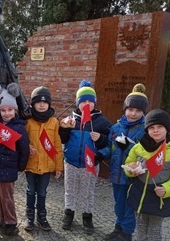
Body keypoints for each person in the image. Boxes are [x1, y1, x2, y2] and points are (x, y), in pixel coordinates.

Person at [95, 83, 148, 241]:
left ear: (143, 112)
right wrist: (101, 154)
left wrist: (130, 146)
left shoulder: (145, 129)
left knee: (129, 204)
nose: (133, 113)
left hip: (132, 175)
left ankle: (127, 232)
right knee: (119, 203)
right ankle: (118, 228)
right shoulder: (116, 128)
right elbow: (110, 148)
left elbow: (145, 153)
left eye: (138, 111)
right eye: (130, 109)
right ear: (125, 109)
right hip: (116, 173)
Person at [124, 109, 170, 241]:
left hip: (159, 199)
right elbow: (129, 163)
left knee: (154, 231)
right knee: (140, 229)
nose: (156, 130)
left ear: (167, 129)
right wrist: (131, 169)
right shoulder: (138, 147)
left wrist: (166, 189)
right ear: (147, 130)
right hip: (139, 195)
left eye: (160, 127)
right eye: (151, 127)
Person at [59, 80, 111, 235]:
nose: (87, 104)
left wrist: (100, 138)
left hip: (91, 163)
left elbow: (109, 143)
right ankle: (69, 213)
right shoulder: (71, 120)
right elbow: (63, 139)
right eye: (83, 101)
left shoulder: (101, 121)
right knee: (70, 190)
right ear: (78, 103)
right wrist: (64, 128)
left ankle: (87, 216)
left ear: (95, 102)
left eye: (90, 101)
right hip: (71, 162)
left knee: (87, 191)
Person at [0, 83, 30, 240]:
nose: (6, 113)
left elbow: (24, 149)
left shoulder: (19, 127)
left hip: (8, 169)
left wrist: (20, 166)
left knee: (7, 199)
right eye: (3, 110)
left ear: (15, 110)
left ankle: (10, 222)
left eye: (10, 110)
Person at [23, 86, 63, 232]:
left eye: (45, 102)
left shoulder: (54, 122)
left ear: (49, 104)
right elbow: (22, 141)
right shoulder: (27, 121)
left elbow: (57, 146)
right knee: (30, 191)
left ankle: (42, 217)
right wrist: (27, 147)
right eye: (38, 102)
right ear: (33, 104)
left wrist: (58, 167)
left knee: (42, 192)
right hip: (31, 164)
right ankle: (29, 218)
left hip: (46, 166)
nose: (41, 104)